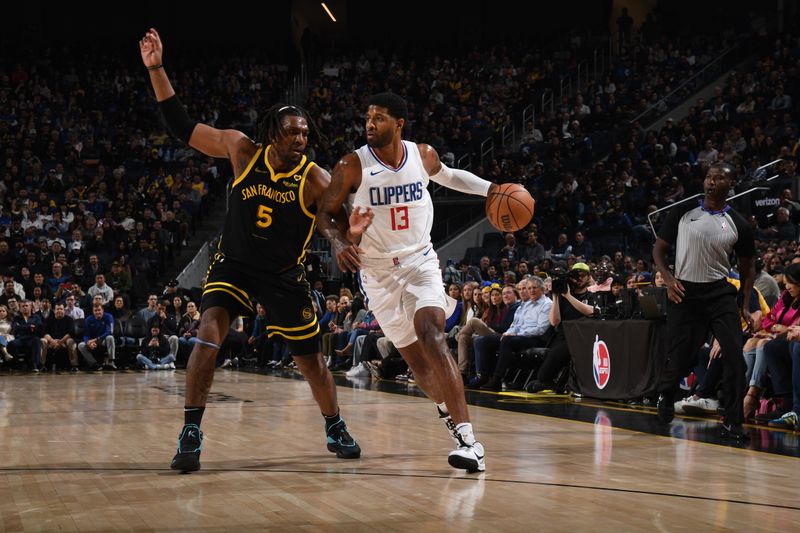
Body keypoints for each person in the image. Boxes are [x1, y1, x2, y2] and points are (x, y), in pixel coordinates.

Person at [140, 27, 360, 473]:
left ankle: (333, 423)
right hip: (234, 264)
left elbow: (336, 216)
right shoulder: (242, 150)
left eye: (304, 133)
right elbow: (181, 126)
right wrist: (157, 69)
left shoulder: (315, 177)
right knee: (208, 333)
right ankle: (191, 430)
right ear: (272, 132)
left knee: (313, 364)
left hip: (283, 274)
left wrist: (342, 237)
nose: (300, 138)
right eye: (292, 132)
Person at [316, 92, 498, 473]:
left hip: (420, 262)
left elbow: (449, 177)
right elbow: (325, 212)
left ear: (399, 124)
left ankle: (469, 440)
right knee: (418, 363)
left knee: (431, 331)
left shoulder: (422, 154)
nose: (369, 124)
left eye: (378, 118)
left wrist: (491, 190)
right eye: (367, 117)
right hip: (378, 274)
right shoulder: (352, 165)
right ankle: (448, 410)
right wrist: (339, 240)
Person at [652, 162, 755, 439]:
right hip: (685, 292)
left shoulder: (739, 224)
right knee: (682, 354)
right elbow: (658, 250)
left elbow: (747, 267)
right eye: (709, 177)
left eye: (719, 178)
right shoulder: (682, 211)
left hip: (720, 293)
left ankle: (733, 420)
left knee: (735, 358)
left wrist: (744, 303)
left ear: (729, 185)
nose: (711, 182)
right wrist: (668, 278)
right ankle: (666, 394)